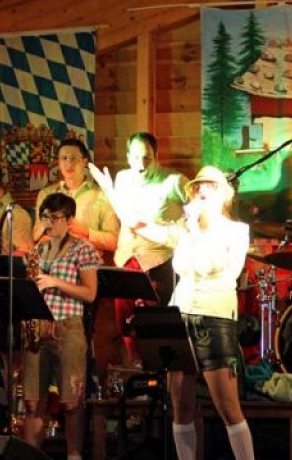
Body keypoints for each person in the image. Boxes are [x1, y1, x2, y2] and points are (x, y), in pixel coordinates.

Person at [90, 164, 254, 460]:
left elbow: (210, 265)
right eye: (196, 188)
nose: (199, 192)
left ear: (223, 196)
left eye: (207, 188)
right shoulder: (183, 231)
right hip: (180, 315)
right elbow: (138, 224)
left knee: (228, 408)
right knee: (181, 406)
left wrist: (194, 230)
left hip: (214, 318)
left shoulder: (235, 232)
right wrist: (111, 192)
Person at [32, 138, 122, 382]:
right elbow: (36, 235)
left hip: (87, 276)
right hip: (52, 277)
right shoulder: (47, 194)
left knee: (86, 341)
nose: (68, 164)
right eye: (63, 158)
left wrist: (85, 232)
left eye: (73, 158)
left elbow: (114, 240)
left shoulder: (100, 196)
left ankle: (85, 388)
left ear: (85, 162)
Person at [22, 193, 100, 460]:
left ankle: (74, 456)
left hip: (68, 328)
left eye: (54, 218)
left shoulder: (82, 248)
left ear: (69, 220)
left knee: (71, 402)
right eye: (45, 217)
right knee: (32, 401)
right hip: (38, 327)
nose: (48, 223)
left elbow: (90, 293)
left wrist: (54, 281)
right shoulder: (39, 250)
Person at [111, 132, 188, 363]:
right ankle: (135, 369)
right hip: (126, 261)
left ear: (156, 156)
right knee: (126, 325)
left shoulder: (174, 181)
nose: (141, 164)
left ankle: (159, 374)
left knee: (155, 326)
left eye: (147, 157)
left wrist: (179, 230)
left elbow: (198, 207)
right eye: (136, 158)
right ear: (128, 157)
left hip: (157, 263)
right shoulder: (122, 179)